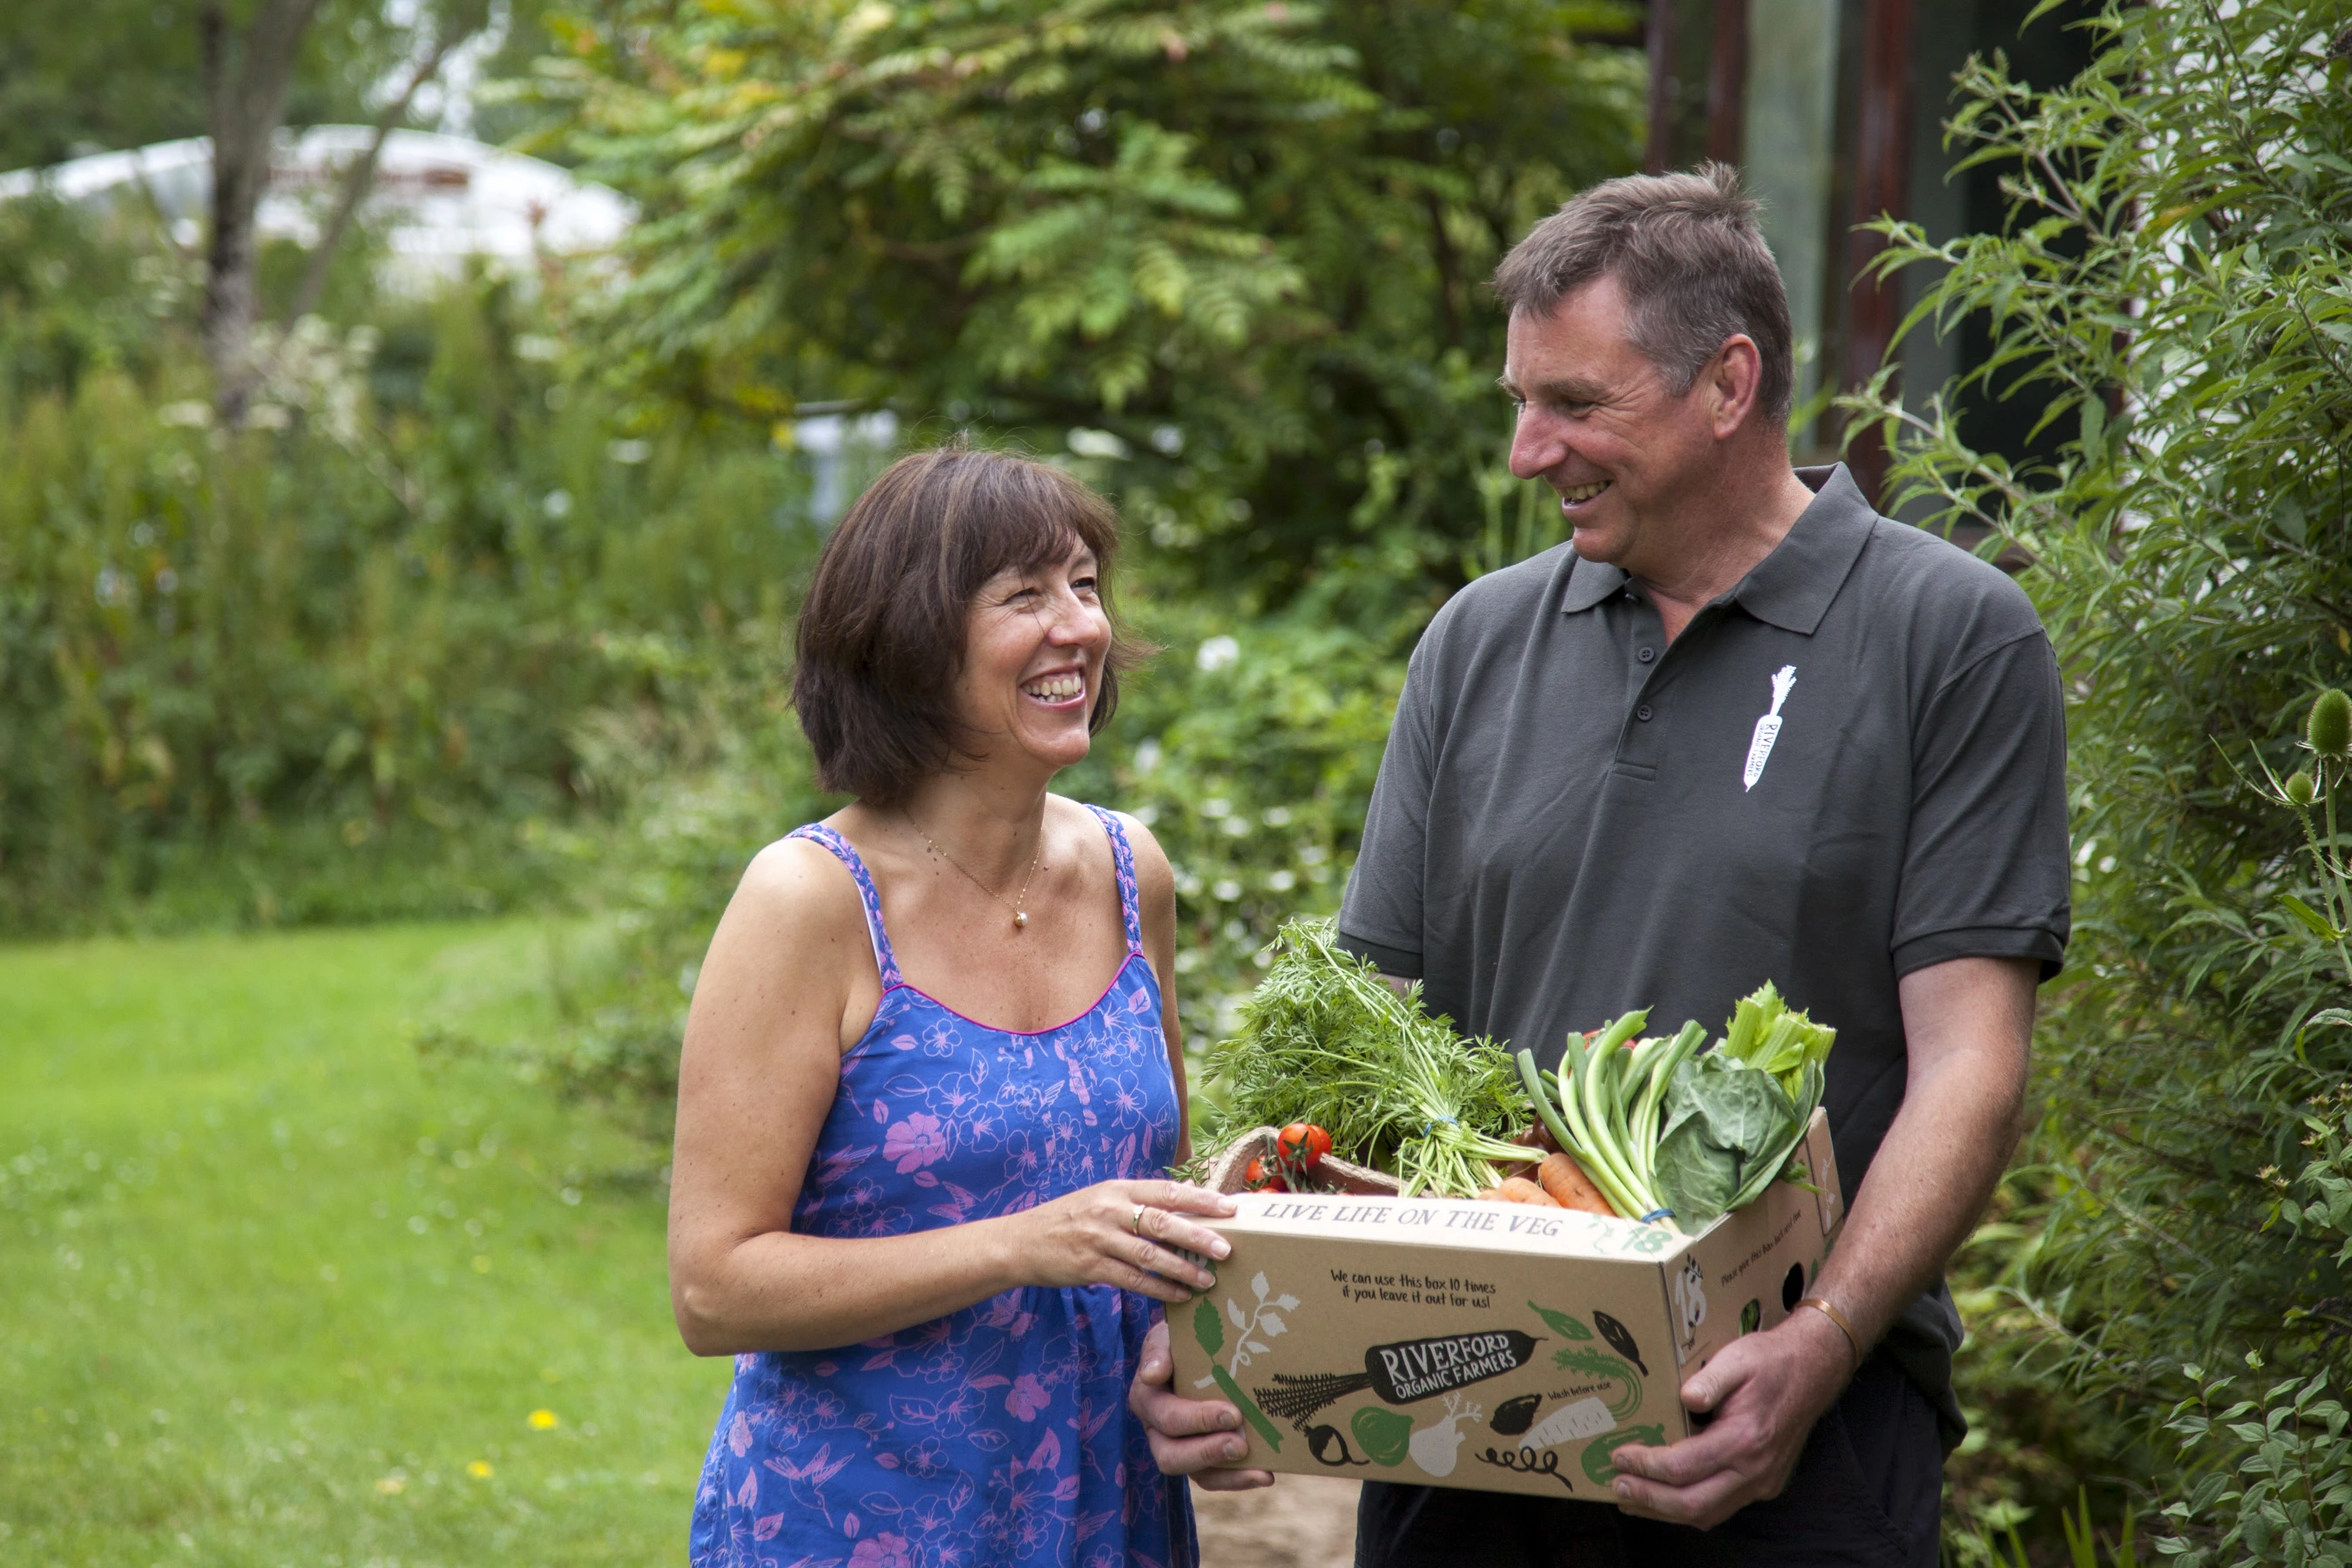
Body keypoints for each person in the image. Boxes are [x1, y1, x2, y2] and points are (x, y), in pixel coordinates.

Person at [1130, 165, 2071, 1566]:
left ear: (1728, 384)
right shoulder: (1478, 642)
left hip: (1784, 1435)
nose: (1528, 450)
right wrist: (1228, 1318)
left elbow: (1971, 1065)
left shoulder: (1950, 638)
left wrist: (1820, 1343)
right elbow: (1361, 1044)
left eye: (1575, 404)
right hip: (1463, 1421)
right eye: (1521, 401)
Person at [672, 443, 1235, 1568]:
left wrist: (1206, 1377)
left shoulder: (1133, 873)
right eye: (1023, 596)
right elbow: (714, 1286)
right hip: (864, 1523)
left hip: (1102, 1516)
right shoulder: (813, 902)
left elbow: (1160, 1199)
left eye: (1082, 585)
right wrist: (1019, 1247)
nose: (1077, 626)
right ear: (913, 643)